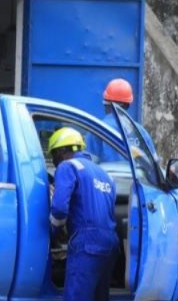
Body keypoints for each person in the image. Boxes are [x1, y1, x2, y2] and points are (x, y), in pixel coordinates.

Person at [47, 127, 119, 301]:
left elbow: (59, 209)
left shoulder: (68, 166)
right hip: (111, 245)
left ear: (63, 151)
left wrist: (53, 232)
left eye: (54, 156)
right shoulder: (106, 175)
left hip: (87, 244)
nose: (54, 162)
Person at [92, 78, 157, 162]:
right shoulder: (141, 132)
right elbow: (154, 164)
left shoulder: (97, 130)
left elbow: (89, 165)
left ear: (105, 103)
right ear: (128, 105)